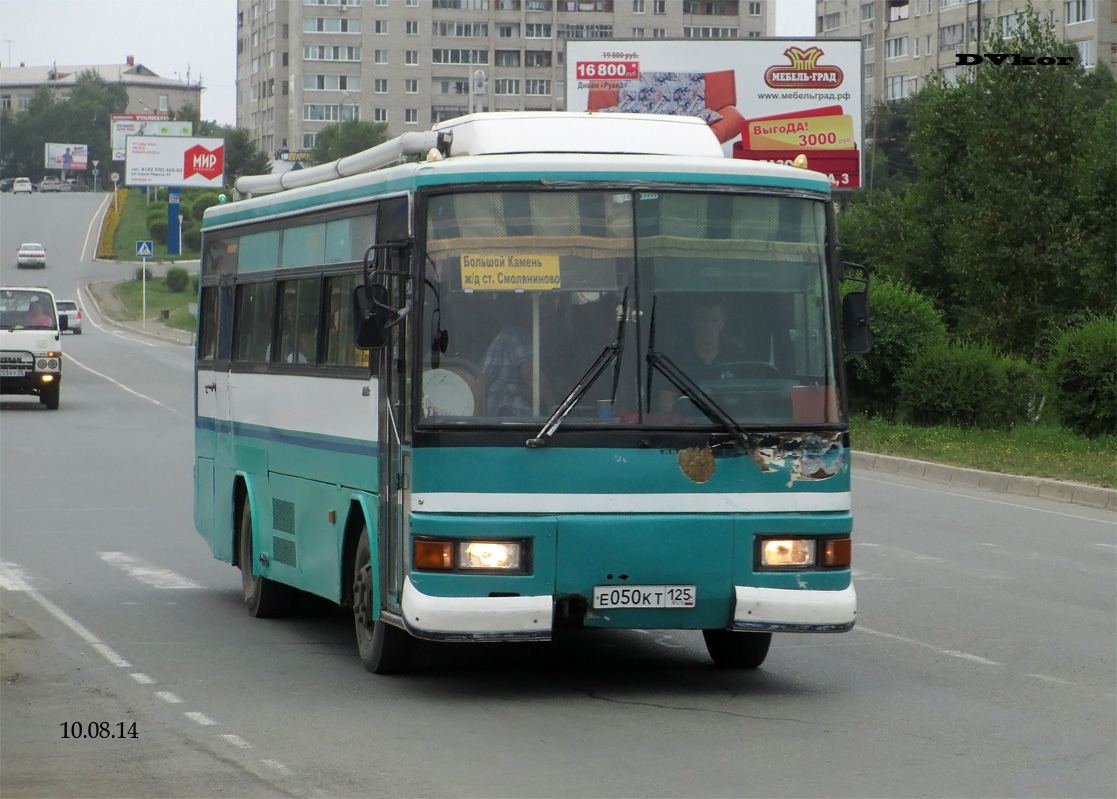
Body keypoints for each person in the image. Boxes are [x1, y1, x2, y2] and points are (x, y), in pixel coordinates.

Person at [480, 296, 552, 417]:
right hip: (505, 412)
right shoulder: (516, 336)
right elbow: (531, 374)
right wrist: (555, 405)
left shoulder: (506, 335)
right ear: (532, 315)